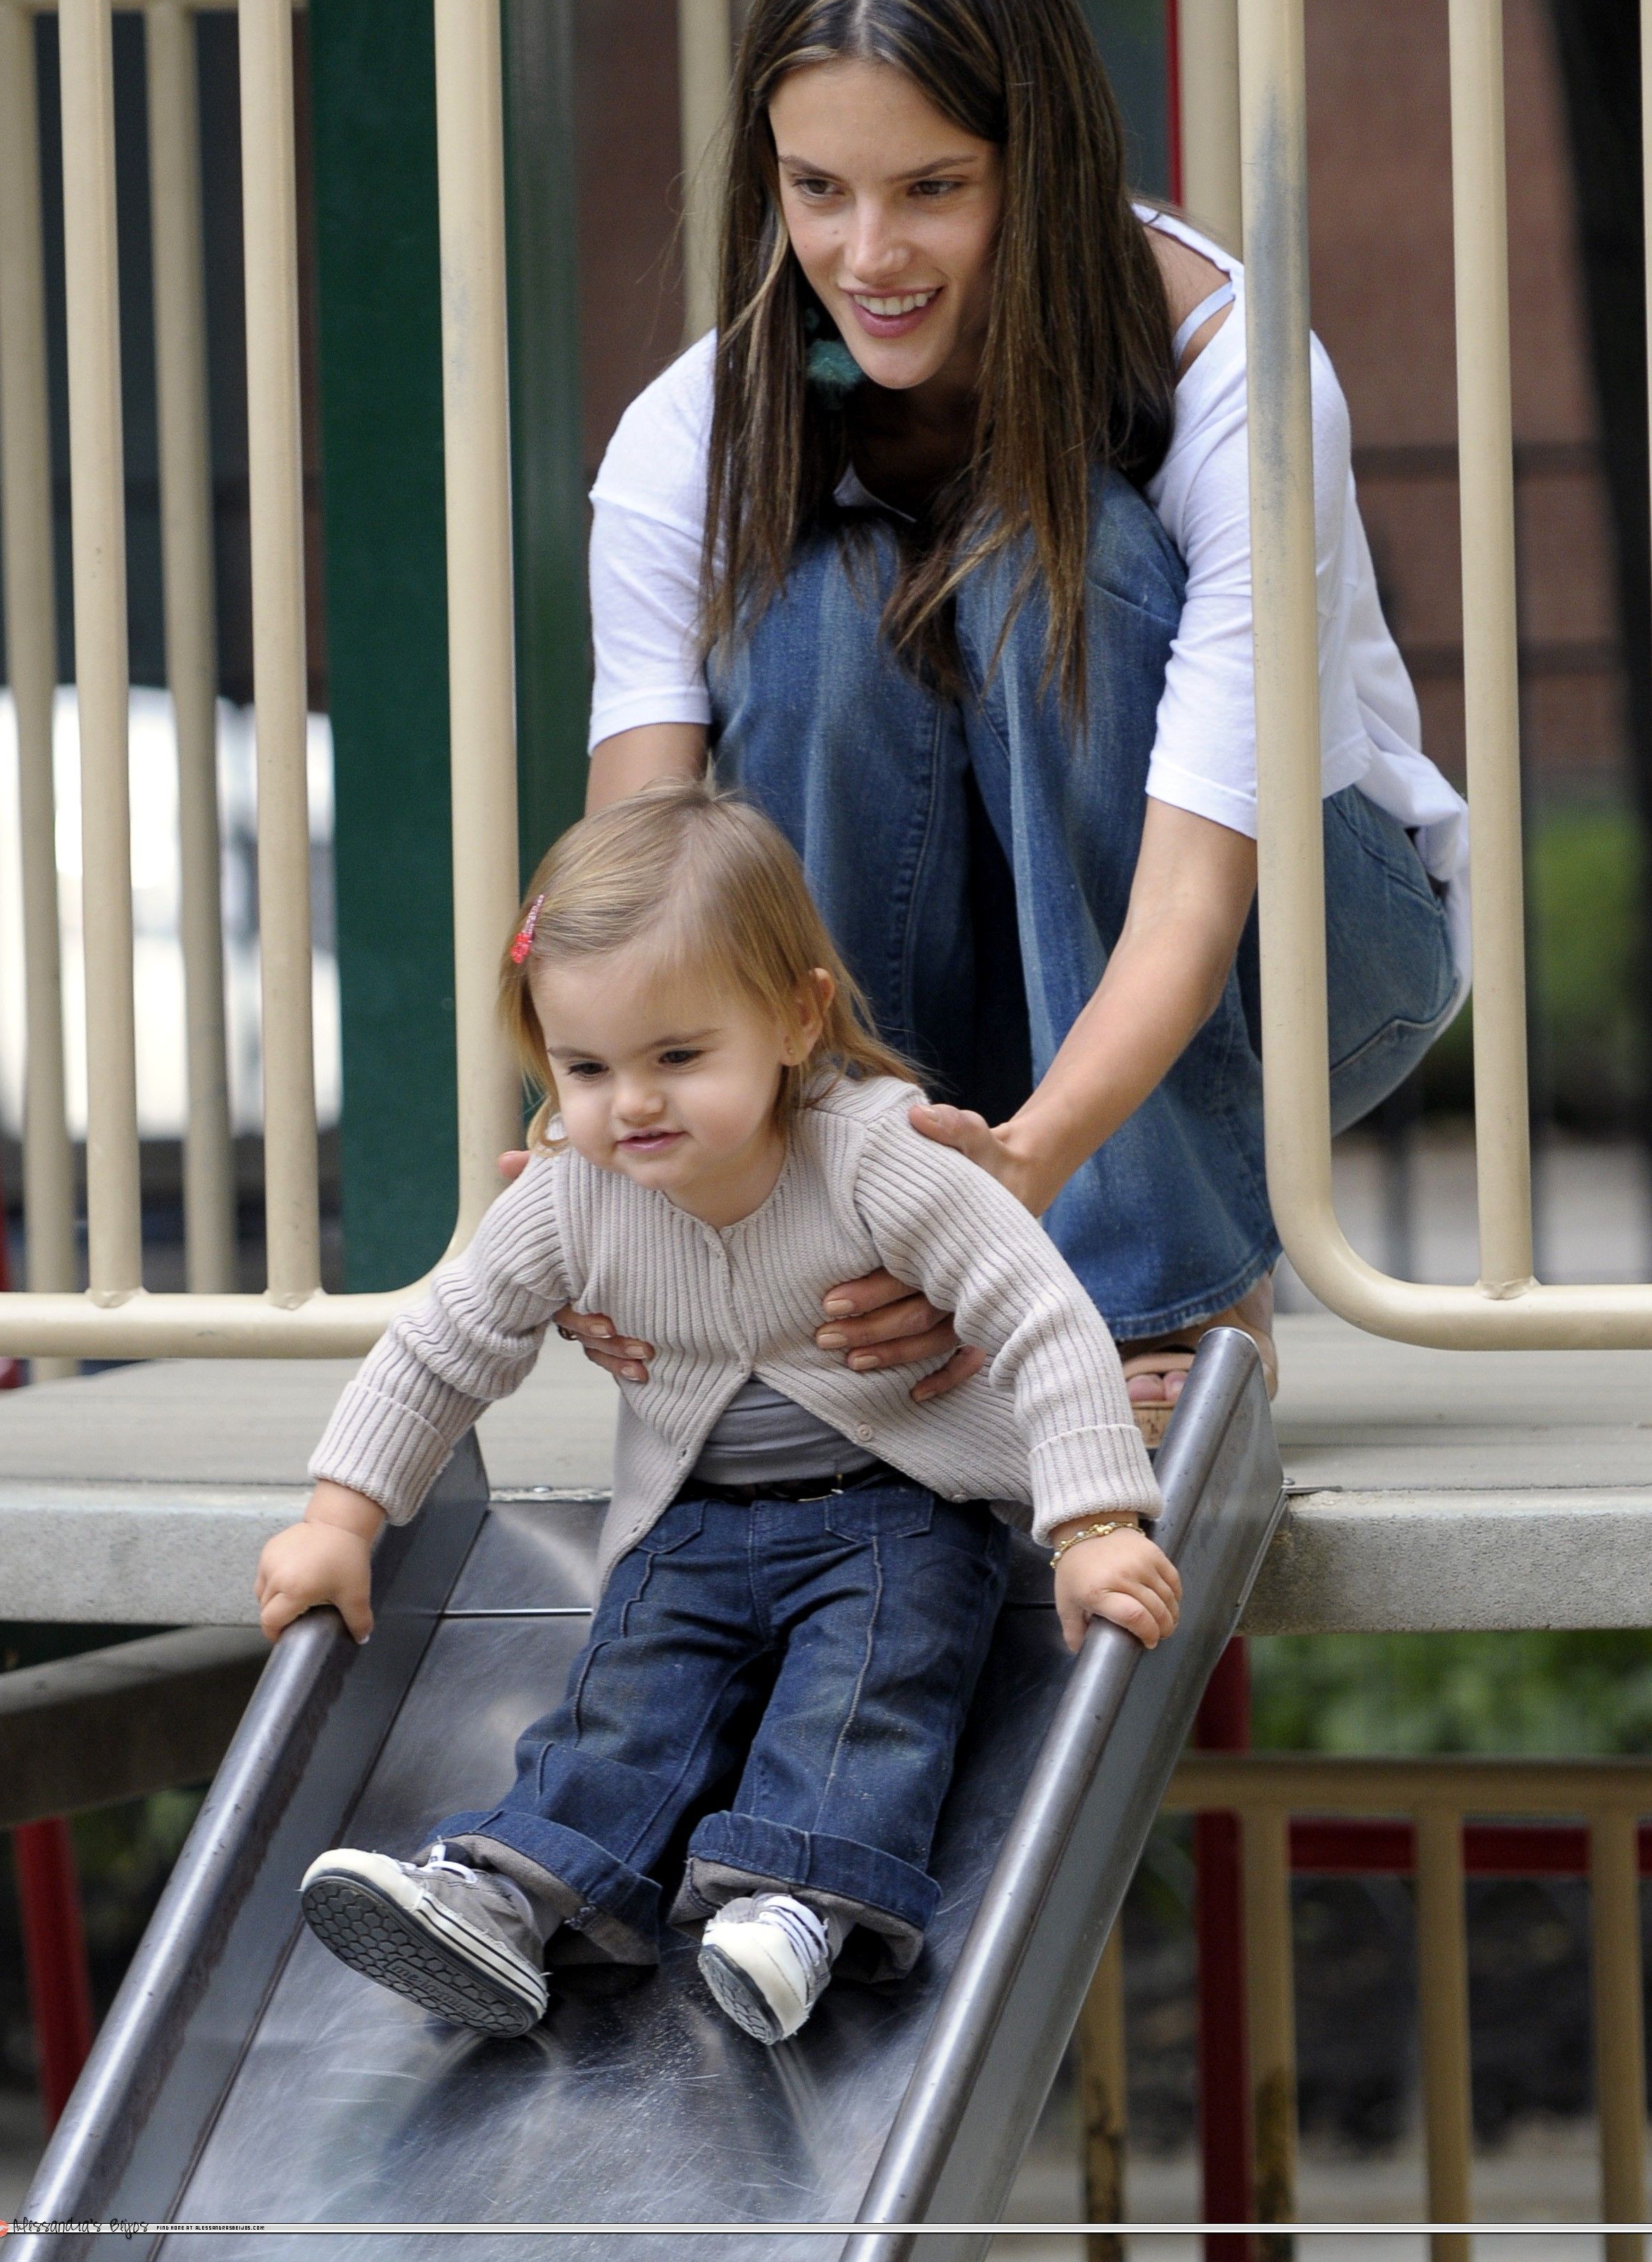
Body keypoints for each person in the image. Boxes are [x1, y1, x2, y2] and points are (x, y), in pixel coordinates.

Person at [563, 0, 1469, 1427]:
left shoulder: (1230, 372)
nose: (869, 253)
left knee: (1056, 566)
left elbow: (1194, 884)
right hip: (947, 1002)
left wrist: (1032, 1175)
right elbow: (642, 885)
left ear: (1035, 168)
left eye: (933, 187)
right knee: (823, 609)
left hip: (1293, 959)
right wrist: (605, 1174)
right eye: (817, 190)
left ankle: (1168, 1294)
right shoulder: (697, 432)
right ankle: (839, 1247)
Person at [257, 782, 1177, 2049]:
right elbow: (440, 1344)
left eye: (678, 1058)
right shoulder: (571, 1197)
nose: (632, 1102)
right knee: (626, 1701)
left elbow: (1040, 1311)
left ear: (797, 1018)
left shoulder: (870, 1159)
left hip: (896, 1519)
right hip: (691, 1529)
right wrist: (339, 1519)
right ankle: (511, 1899)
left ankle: (804, 1908)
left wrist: (1093, 1526)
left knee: (867, 1693)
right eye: (585, 1068)